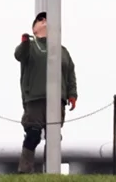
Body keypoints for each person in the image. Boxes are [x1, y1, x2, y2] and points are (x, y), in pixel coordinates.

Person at [14, 11, 78, 173]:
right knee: (33, 134)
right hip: (35, 98)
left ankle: (50, 170)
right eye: (40, 20)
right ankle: (25, 169)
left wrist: (72, 94)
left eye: (47, 19)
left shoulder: (62, 51)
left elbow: (70, 72)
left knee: (54, 136)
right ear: (34, 28)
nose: (44, 21)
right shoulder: (30, 45)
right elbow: (19, 55)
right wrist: (24, 42)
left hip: (57, 99)